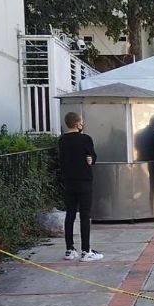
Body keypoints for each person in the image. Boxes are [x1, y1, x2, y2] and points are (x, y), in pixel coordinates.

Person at [59, 112, 103, 262]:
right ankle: (86, 250)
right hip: (84, 180)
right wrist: (91, 160)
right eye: (81, 122)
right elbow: (93, 157)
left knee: (70, 215)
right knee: (85, 215)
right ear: (78, 123)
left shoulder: (62, 140)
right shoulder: (85, 139)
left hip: (69, 181)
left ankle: (69, 249)